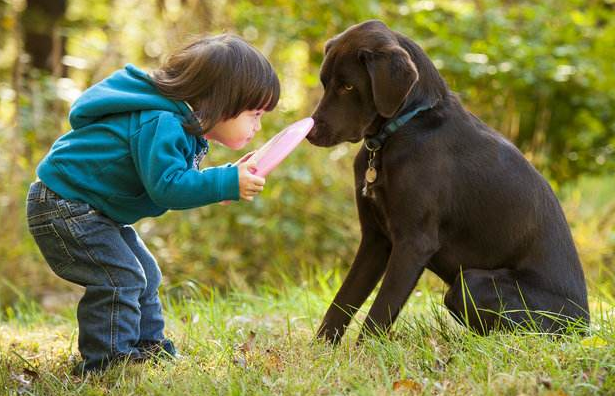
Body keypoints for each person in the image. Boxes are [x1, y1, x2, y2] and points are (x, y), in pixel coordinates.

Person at [25, 33, 280, 375]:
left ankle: (148, 347)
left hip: (89, 209)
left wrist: (223, 183)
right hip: (64, 206)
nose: (257, 126)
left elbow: (177, 177)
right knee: (121, 277)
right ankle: (109, 363)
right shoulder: (161, 121)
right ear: (220, 101)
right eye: (254, 114)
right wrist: (224, 184)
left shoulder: (177, 123)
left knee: (145, 273)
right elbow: (168, 187)